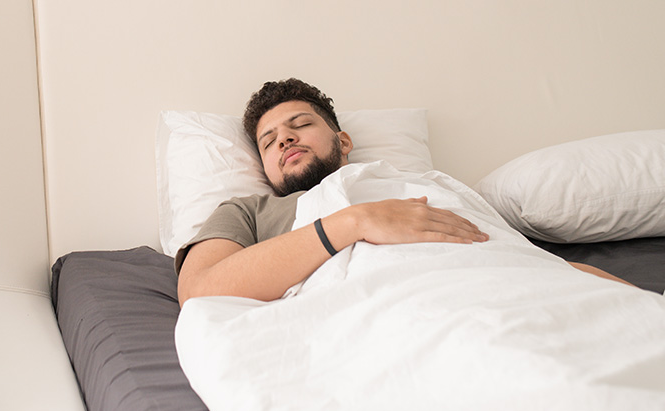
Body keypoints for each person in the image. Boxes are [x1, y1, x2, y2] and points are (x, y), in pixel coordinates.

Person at [176, 78, 629, 307]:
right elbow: (199, 290)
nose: (286, 140)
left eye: (300, 125)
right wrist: (354, 222)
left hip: (506, 291)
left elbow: (520, 258)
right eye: (270, 141)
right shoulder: (248, 210)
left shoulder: (427, 186)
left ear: (343, 141)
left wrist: (638, 303)